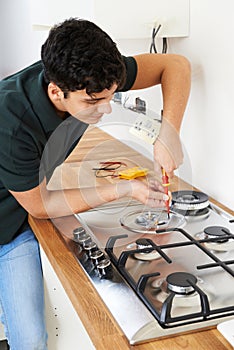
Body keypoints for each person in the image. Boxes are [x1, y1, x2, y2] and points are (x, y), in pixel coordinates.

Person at [0, 18, 191, 349]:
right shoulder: (9, 123)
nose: (105, 110)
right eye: (92, 103)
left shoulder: (91, 74)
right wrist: (124, 188)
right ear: (56, 91)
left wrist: (169, 133)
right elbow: (41, 205)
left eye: (110, 98)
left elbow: (174, 65)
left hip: (19, 218)